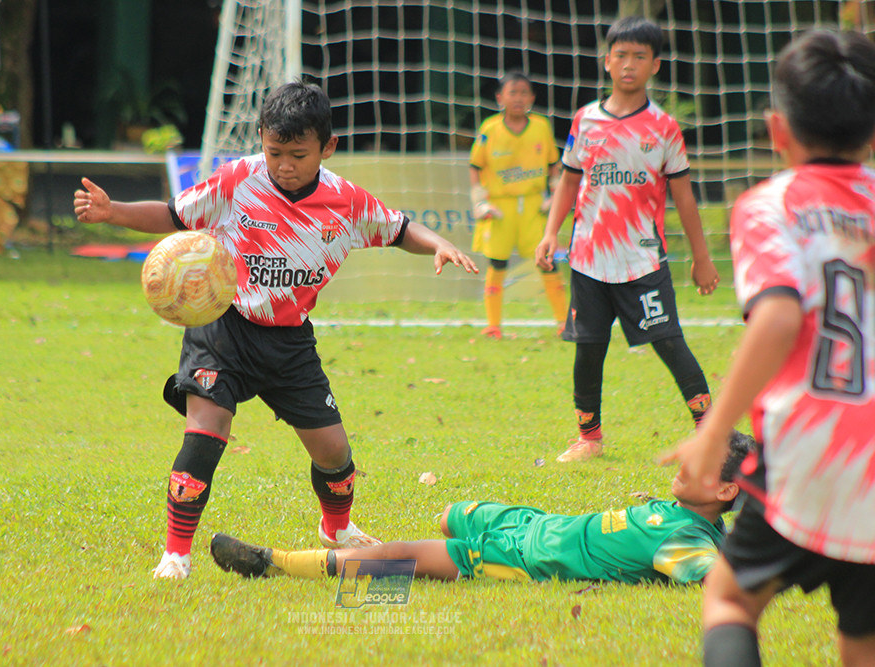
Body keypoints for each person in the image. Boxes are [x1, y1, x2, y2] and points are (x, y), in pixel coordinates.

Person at [73, 81, 479, 580]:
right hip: (223, 327)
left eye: (298, 155)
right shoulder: (239, 179)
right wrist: (113, 213)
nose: (284, 165)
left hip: (289, 342)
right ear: (261, 139)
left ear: (327, 148)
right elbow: (176, 215)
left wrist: (437, 243)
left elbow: (399, 229)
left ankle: (338, 529)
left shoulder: (344, 202)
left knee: (335, 454)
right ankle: (175, 555)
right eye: (274, 152)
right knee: (206, 429)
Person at [662, 30, 875, 666]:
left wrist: (712, 432)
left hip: (809, 454)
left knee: (729, 599)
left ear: (776, 129)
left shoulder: (770, 205)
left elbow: (779, 315)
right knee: (862, 640)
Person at [211, 432, 754, 585]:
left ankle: (273, 563)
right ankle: (381, 552)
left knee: (404, 560)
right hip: (536, 522)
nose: (682, 463)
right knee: (451, 511)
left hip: (525, 556)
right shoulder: (686, 516)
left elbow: (719, 577)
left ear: (727, 491)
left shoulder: (688, 542)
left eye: (700, 461)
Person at [534, 16, 719, 463]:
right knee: (588, 350)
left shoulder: (664, 127)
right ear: (606, 62)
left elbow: (684, 197)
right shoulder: (586, 120)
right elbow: (568, 181)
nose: (629, 64)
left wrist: (702, 257)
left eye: (639, 56)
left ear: (655, 65)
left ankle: (711, 433)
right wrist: (549, 233)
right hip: (588, 260)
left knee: (670, 342)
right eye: (621, 55)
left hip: (643, 262)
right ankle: (589, 439)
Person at [470, 71, 568, 339]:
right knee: (497, 264)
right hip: (501, 208)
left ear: (532, 98)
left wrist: (554, 195)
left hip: (534, 206)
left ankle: (563, 322)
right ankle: (493, 326)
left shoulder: (540, 127)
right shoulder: (489, 129)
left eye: (524, 93)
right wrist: (480, 201)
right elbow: (476, 167)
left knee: (547, 260)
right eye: (512, 92)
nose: (518, 98)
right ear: (500, 97)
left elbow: (553, 167)